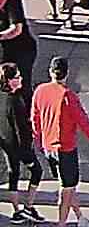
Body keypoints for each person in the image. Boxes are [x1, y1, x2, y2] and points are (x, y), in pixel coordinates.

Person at [22, 63, 87, 227]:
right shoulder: (68, 95)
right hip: (66, 148)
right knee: (67, 188)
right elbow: (82, 120)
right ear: (67, 74)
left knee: (67, 185)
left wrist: (39, 141)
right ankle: (61, 224)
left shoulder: (40, 91)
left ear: (50, 72)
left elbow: (35, 119)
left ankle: (81, 218)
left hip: (48, 147)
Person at [0, 61, 35, 222]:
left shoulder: (3, 96)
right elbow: (20, 128)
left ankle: (17, 211)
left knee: (13, 175)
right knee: (37, 171)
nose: (21, 79)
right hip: (19, 146)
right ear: (9, 81)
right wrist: (27, 149)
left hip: (6, 144)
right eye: (17, 77)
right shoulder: (15, 101)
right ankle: (28, 206)